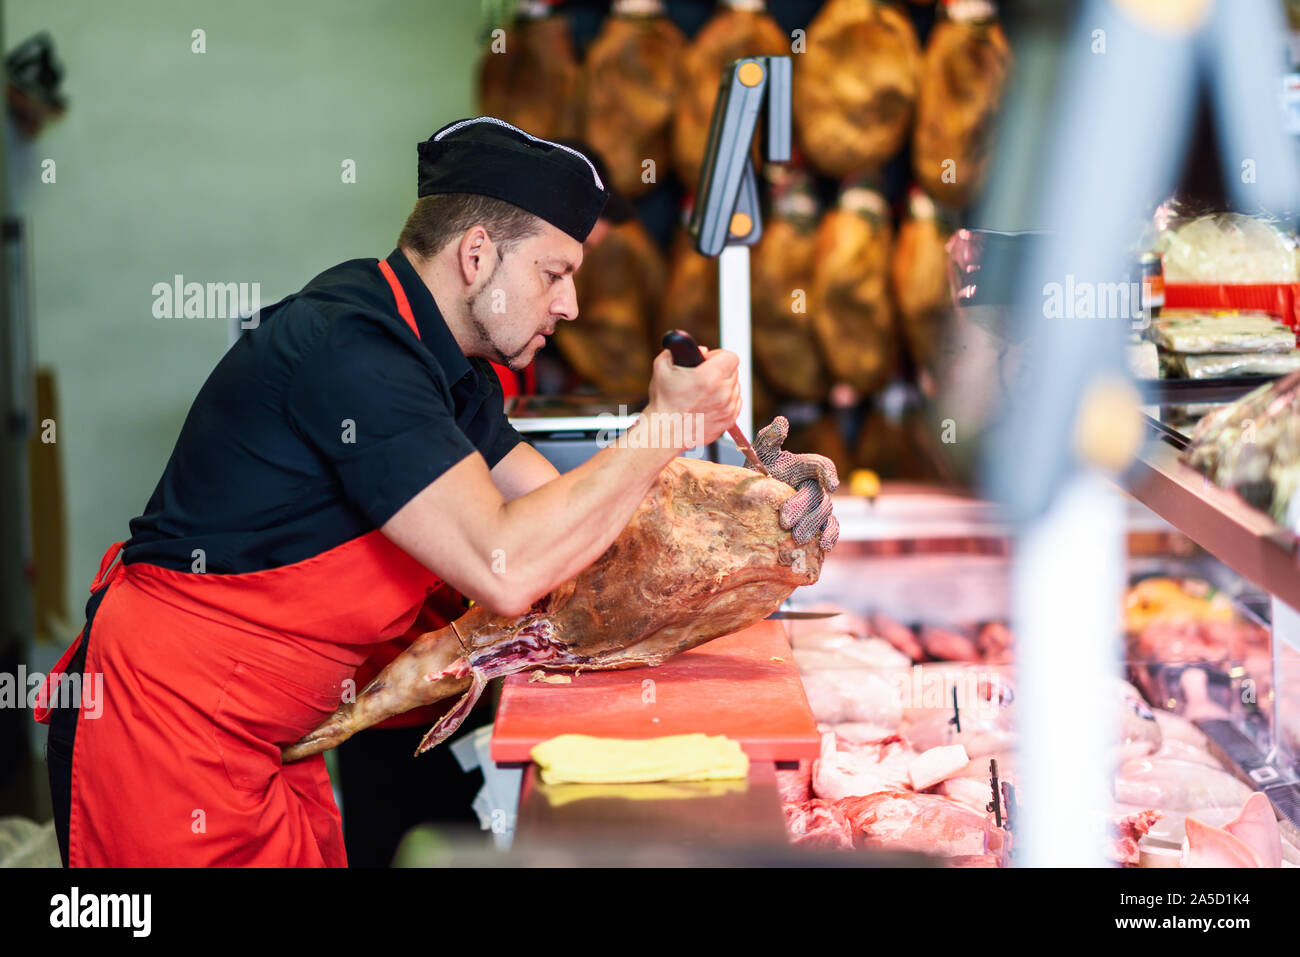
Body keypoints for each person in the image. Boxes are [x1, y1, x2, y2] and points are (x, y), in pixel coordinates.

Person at [36, 116, 837, 866]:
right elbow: (506, 563)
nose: (572, 305)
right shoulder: (354, 350)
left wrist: (759, 514)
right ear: (478, 253)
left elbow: (574, 534)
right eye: (555, 273)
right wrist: (660, 427)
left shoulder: (449, 372)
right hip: (166, 728)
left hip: (274, 741)